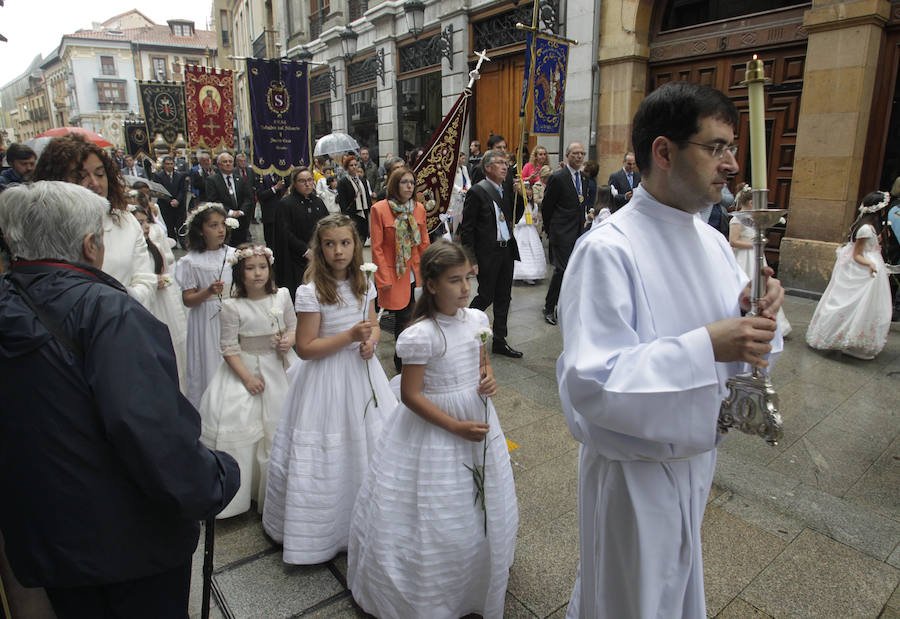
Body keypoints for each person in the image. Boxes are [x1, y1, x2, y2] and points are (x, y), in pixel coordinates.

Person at [557, 81, 785, 619]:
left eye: (733, 147)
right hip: (633, 477)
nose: (732, 164)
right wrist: (708, 342)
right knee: (627, 603)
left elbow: (750, 350)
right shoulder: (607, 250)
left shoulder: (713, 240)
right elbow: (594, 381)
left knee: (676, 597)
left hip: (696, 461)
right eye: (716, 147)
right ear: (663, 151)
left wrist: (760, 315)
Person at [0, 181, 239, 618]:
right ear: (91, 245)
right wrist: (215, 479)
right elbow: (149, 430)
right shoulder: (109, 312)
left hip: (48, 541)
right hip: (129, 546)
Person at [348, 239, 518, 619]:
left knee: (479, 499)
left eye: (468, 279)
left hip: (476, 415)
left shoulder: (476, 320)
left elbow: (483, 362)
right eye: (455, 280)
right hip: (435, 424)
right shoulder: (421, 334)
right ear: (433, 284)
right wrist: (454, 426)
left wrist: (488, 379)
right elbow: (410, 395)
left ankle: (477, 568)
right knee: (435, 505)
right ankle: (431, 584)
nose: (465, 288)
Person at [263, 214, 395, 564]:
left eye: (346, 243)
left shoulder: (365, 283)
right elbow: (305, 347)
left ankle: (367, 516)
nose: (339, 251)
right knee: (329, 446)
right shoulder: (311, 292)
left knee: (368, 441)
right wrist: (349, 337)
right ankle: (324, 528)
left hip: (361, 372)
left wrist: (371, 342)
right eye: (330, 244)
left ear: (356, 246)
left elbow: (372, 327)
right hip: (326, 378)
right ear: (319, 249)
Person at [198, 244, 297, 518]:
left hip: (278, 365)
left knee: (278, 424)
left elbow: (293, 326)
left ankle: (276, 491)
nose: (257, 274)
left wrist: (288, 340)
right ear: (240, 274)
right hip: (247, 366)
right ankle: (244, 492)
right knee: (245, 421)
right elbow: (228, 347)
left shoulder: (283, 296)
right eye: (250, 269)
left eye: (262, 267)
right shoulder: (232, 306)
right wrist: (247, 378)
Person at [33, 132, 157, 308]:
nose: (95, 184)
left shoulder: (125, 221)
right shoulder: (44, 229)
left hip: (123, 318)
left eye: (99, 174)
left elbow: (145, 280)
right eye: (81, 176)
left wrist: (119, 300)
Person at [806, 191, 895, 359]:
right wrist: (871, 264)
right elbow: (857, 255)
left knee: (864, 306)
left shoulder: (868, 228)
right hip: (863, 270)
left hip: (868, 268)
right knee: (856, 305)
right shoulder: (866, 229)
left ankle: (856, 340)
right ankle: (847, 339)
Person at [460, 149, 524, 359]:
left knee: (504, 296)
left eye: (506, 163)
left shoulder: (507, 187)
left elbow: (515, 214)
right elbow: (467, 229)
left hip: (506, 250)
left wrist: (519, 195)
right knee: (486, 295)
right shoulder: (478, 192)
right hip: (487, 253)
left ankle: (499, 340)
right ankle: (463, 328)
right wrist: (471, 259)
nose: (505, 166)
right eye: (499, 163)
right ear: (488, 168)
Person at [175, 203, 237, 408]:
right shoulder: (191, 261)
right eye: (213, 225)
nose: (220, 230)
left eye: (222, 224)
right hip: (206, 318)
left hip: (232, 313)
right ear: (201, 231)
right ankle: (209, 406)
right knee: (209, 362)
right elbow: (188, 299)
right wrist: (208, 292)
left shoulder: (233, 255)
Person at [370, 167, 430, 371]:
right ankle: (400, 358)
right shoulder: (379, 209)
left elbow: (423, 242)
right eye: (404, 182)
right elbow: (377, 248)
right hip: (393, 271)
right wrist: (382, 278)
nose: (409, 186)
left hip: (415, 270)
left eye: (412, 182)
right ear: (394, 184)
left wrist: (430, 268)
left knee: (414, 314)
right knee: (403, 315)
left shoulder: (419, 208)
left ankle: (407, 353)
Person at [131, 202, 189, 391]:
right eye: (139, 223)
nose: (146, 226)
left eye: (146, 221)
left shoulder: (153, 247)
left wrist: (162, 279)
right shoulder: (132, 253)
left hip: (163, 300)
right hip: (148, 304)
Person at [730, 183, 792, 336]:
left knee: (763, 284)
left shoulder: (753, 219)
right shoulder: (738, 220)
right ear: (752, 203)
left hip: (754, 255)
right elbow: (733, 241)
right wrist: (754, 245)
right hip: (745, 256)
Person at [541, 142, 587, 325]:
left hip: (577, 231)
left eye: (582, 153)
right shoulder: (558, 177)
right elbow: (547, 206)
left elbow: (580, 203)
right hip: (560, 231)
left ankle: (565, 305)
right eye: (575, 153)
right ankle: (549, 307)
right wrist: (550, 228)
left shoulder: (582, 178)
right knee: (561, 270)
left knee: (574, 270)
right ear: (567, 156)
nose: (579, 156)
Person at [274, 168, 329, 299]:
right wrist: (305, 251)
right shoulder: (286, 204)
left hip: (317, 255)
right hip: (295, 258)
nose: (307, 184)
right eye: (302, 181)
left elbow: (327, 226)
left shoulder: (318, 202)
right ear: (294, 183)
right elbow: (284, 232)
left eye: (310, 180)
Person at [206, 152, 253, 245]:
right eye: (225, 162)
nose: (228, 164)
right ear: (219, 164)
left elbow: (248, 198)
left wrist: (241, 211)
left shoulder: (240, 179)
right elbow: (213, 200)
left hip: (241, 222)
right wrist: (230, 212)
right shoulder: (212, 180)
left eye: (230, 161)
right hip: (223, 220)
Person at [513, 180, 546, 284]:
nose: (529, 197)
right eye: (527, 195)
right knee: (522, 251)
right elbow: (517, 221)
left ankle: (532, 273)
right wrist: (529, 220)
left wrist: (535, 220)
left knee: (533, 251)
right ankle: (522, 273)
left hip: (530, 231)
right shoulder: (519, 205)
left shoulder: (534, 206)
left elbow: (535, 223)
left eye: (531, 195)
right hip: (521, 231)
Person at [152, 155, 189, 244]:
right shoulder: (158, 176)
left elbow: (183, 190)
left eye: (171, 164)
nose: (169, 166)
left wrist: (177, 200)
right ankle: (173, 242)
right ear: (164, 165)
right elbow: (159, 191)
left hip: (179, 204)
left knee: (180, 224)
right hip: (165, 204)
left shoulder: (180, 176)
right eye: (167, 164)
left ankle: (183, 242)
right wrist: (169, 201)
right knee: (169, 224)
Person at [337, 153, 372, 243]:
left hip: (364, 212)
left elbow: (367, 196)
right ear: (347, 167)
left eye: (355, 165)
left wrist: (370, 210)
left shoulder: (362, 180)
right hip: (352, 213)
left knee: (363, 236)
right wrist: (346, 215)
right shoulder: (343, 182)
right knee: (354, 237)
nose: (354, 167)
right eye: (351, 165)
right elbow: (342, 200)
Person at [257, 171, 287, 247]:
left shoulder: (283, 175)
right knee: (270, 242)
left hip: (283, 215)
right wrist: (275, 188)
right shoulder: (262, 177)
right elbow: (260, 195)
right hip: (269, 216)